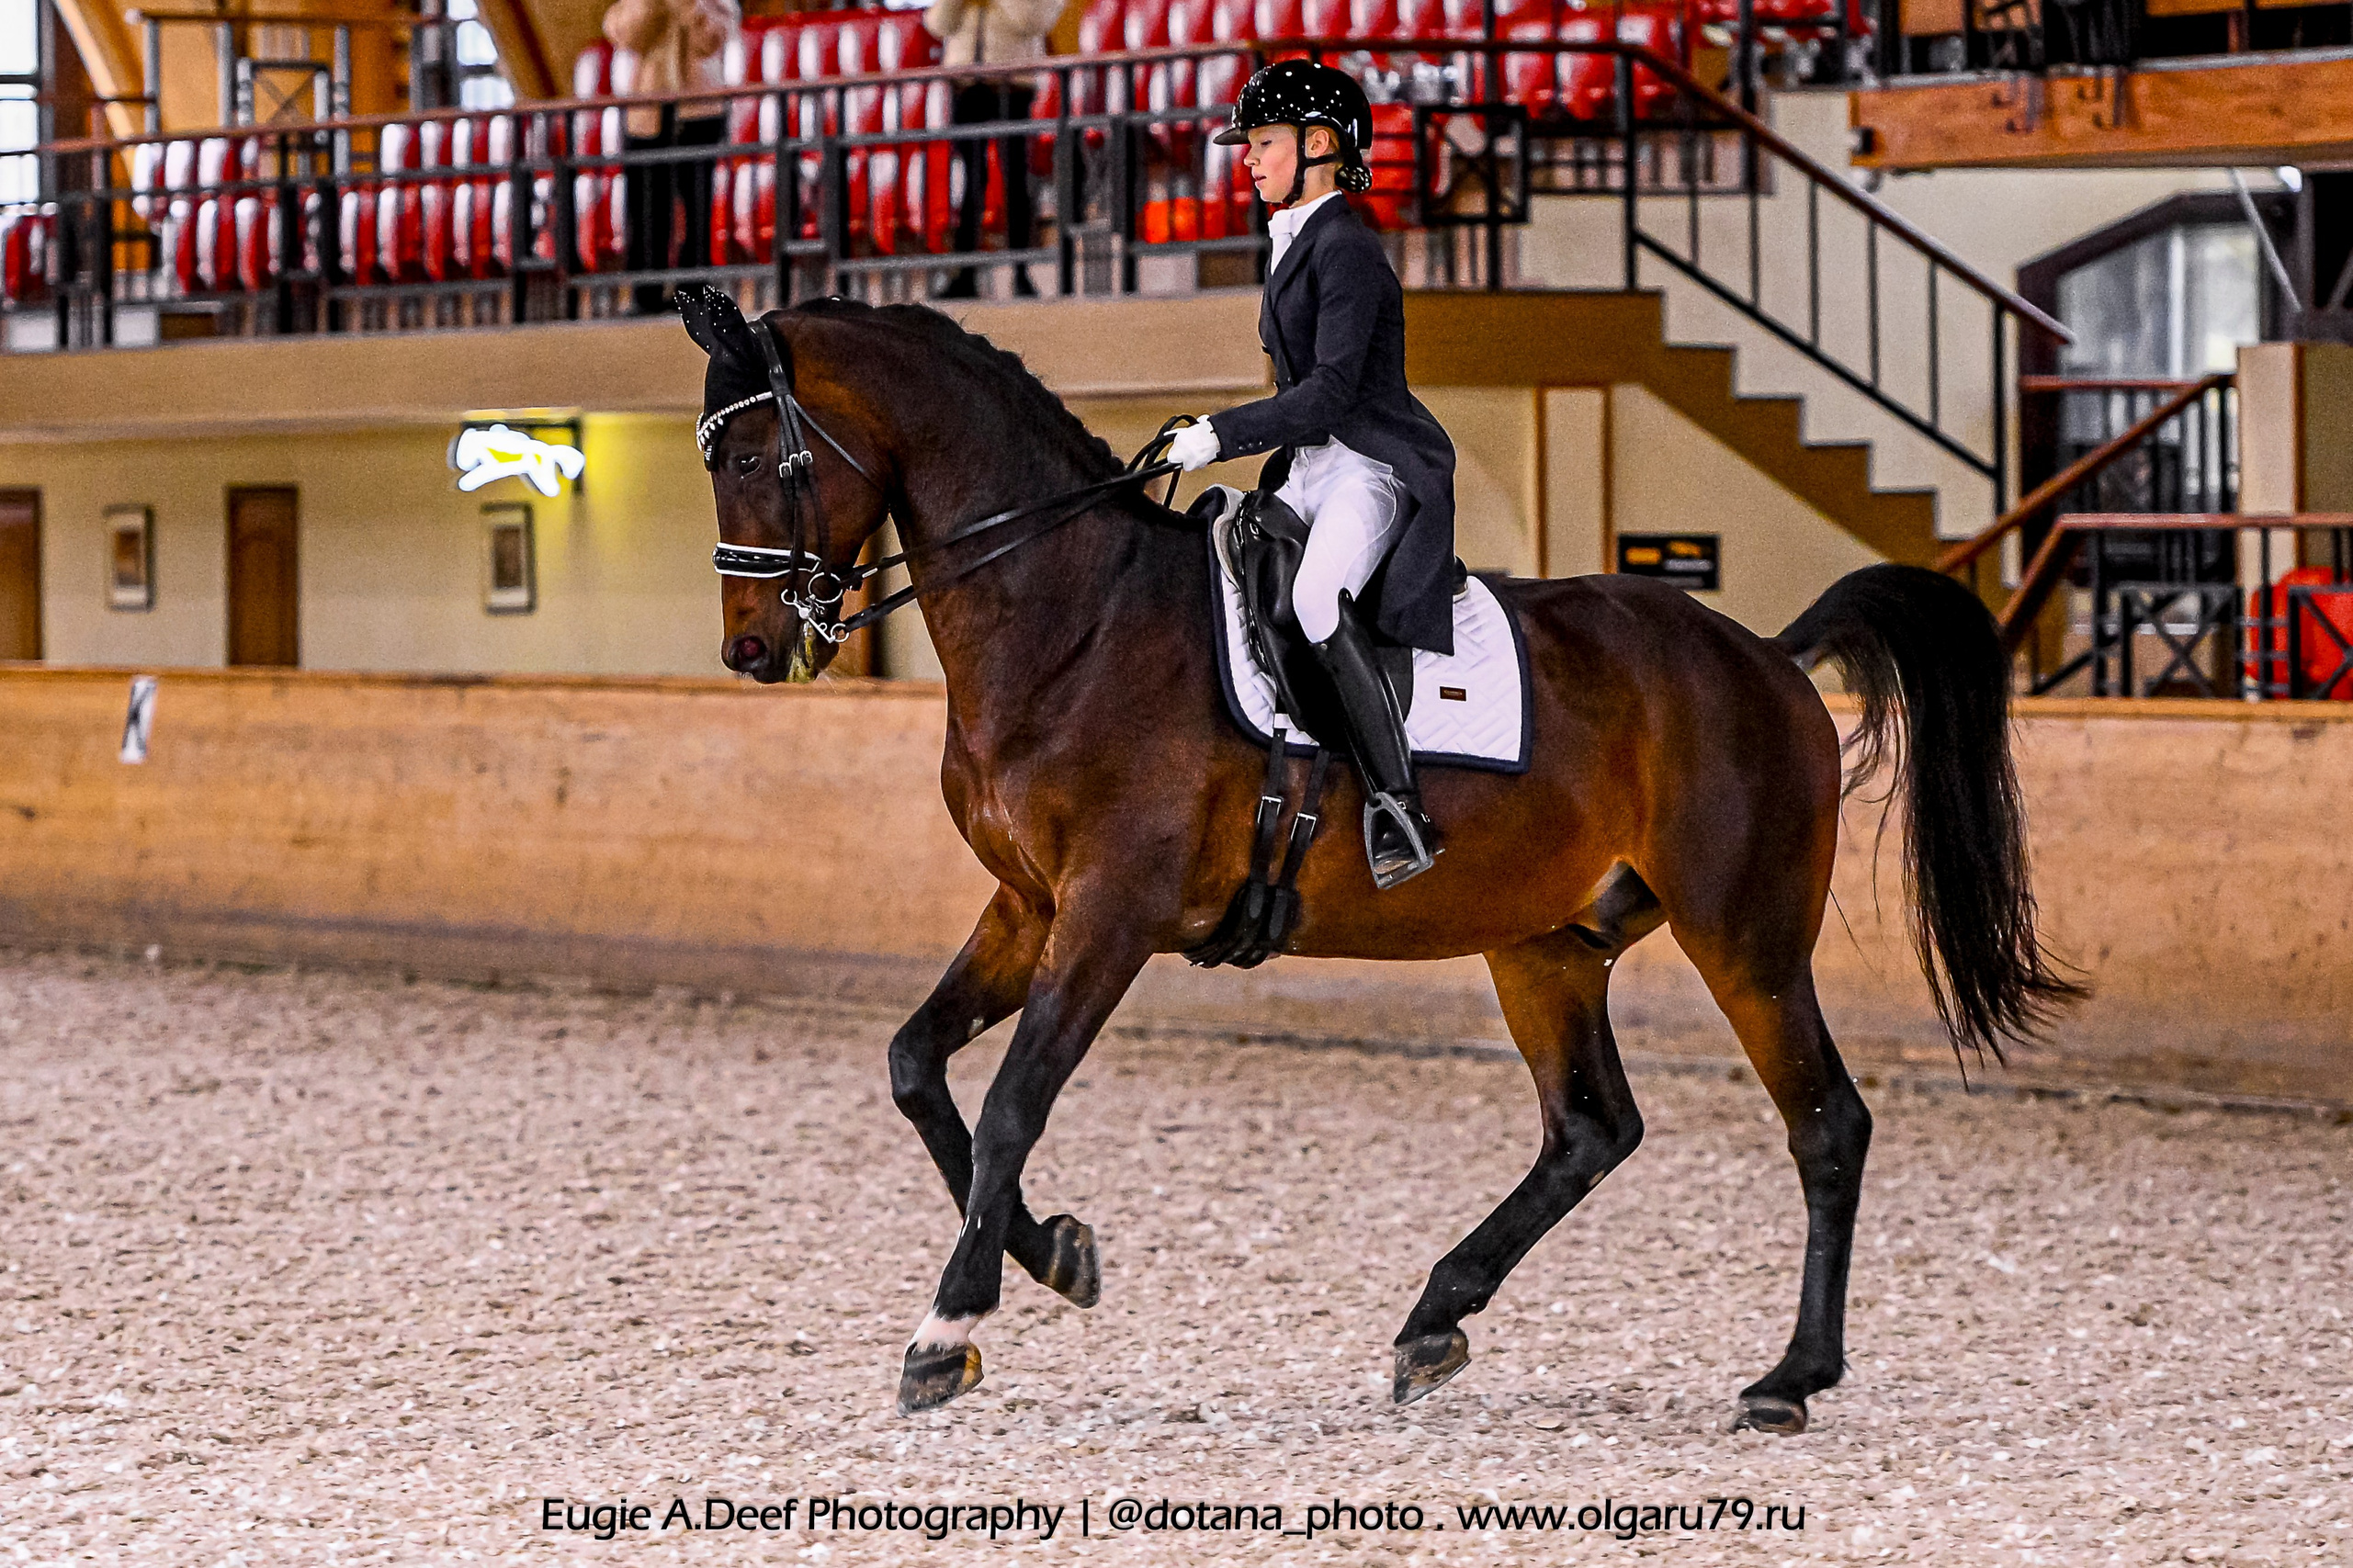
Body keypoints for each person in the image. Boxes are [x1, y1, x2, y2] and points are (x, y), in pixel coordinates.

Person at [1165, 60, 1460, 890]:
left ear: (1318, 144)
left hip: (1367, 460)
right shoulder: (1294, 239)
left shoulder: (1348, 247)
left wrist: (1219, 434)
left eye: (1262, 143)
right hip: (1310, 462)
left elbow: (1329, 392)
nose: (1248, 160)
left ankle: (1398, 803)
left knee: (1311, 598)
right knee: (1221, 548)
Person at [604, 0, 741, 313]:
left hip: (698, 112)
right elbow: (623, 34)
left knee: (697, 205)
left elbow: (713, 40)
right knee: (645, 206)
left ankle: (694, 294)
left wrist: (688, 6)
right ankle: (646, 294)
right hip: (647, 113)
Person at [924, 0, 1065, 298]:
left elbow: (1035, 20)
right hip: (965, 84)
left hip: (1013, 83)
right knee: (969, 181)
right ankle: (964, 274)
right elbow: (938, 25)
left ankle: (1021, 273)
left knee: (1016, 178)